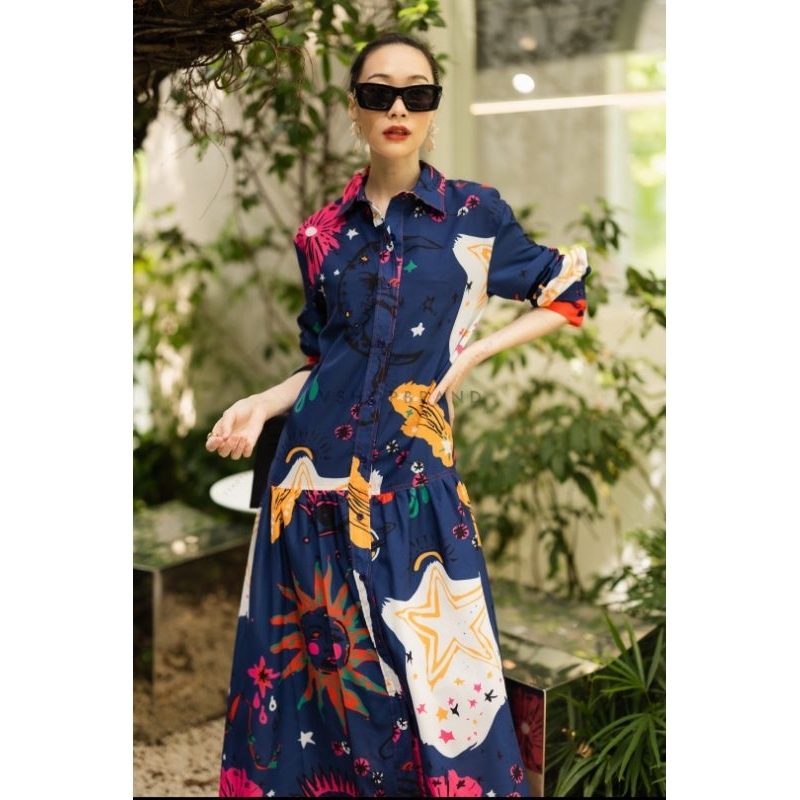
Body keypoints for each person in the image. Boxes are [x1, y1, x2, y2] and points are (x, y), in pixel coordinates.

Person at [206, 30, 589, 798]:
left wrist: (474, 352)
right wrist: (260, 402)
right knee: (324, 686)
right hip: (310, 485)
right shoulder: (319, 235)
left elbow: (567, 292)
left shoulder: (474, 215)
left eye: (417, 93)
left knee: (445, 678)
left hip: (418, 483)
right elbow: (324, 362)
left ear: (434, 109)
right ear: (355, 108)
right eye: (379, 92)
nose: (398, 108)